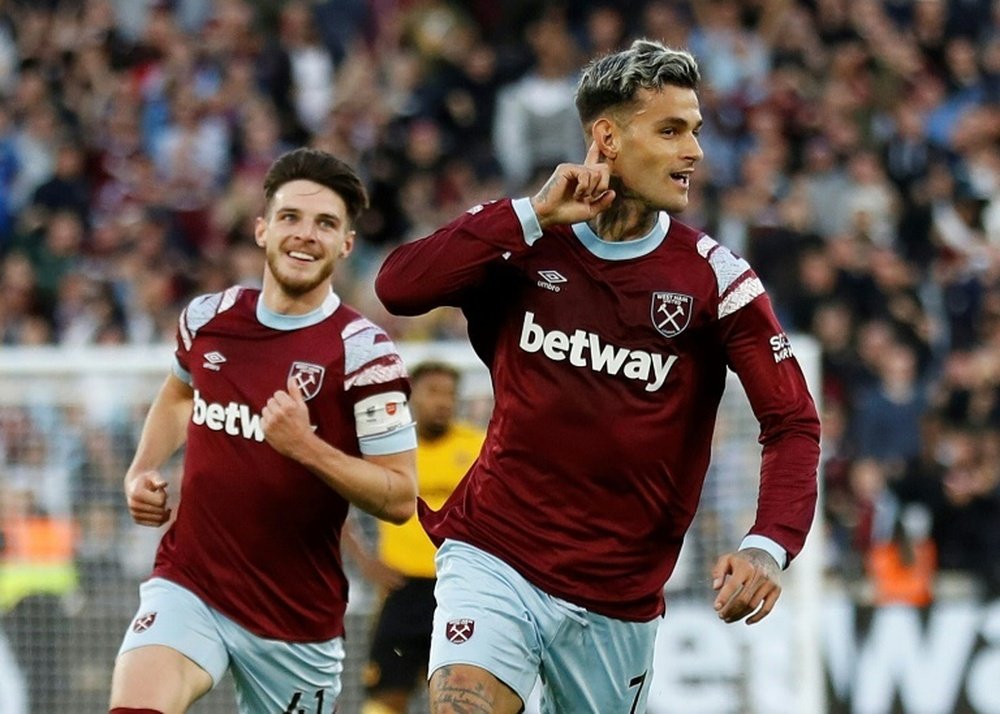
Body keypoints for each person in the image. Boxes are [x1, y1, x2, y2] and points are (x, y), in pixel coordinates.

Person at [375, 39, 821, 714]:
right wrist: (529, 214)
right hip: (495, 550)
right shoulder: (526, 242)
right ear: (606, 137)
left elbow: (791, 422)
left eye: (695, 131)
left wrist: (768, 545)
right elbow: (399, 285)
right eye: (670, 130)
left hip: (618, 593)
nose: (693, 152)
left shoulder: (715, 279)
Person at [108, 147, 418, 714]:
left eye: (326, 223)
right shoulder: (208, 318)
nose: (305, 234)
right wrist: (140, 471)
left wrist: (307, 448)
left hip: (295, 620)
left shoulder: (365, 352)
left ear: (346, 244)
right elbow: (180, 393)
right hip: (190, 585)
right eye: (290, 217)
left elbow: (400, 498)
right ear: (262, 229)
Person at [343, 360, 486, 714]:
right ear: (411, 396)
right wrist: (364, 561)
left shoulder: (479, 446)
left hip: (460, 590)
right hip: (401, 590)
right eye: (434, 392)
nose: (444, 402)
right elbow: (333, 500)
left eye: (451, 394)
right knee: (384, 701)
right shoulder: (386, 449)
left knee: (460, 700)